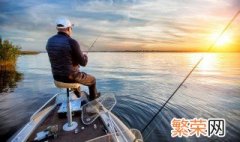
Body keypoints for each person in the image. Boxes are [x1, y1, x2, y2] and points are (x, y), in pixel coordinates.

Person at [46, 18, 99, 101]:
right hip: (70, 78)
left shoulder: (50, 41)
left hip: (56, 77)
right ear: (68, 28)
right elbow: (83, 63)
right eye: (71, 28)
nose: (71, 30)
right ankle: (93, 102)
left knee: (76, 75)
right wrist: (85, 56)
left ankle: (78, 96)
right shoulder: (72, 42)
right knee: (92, 80)